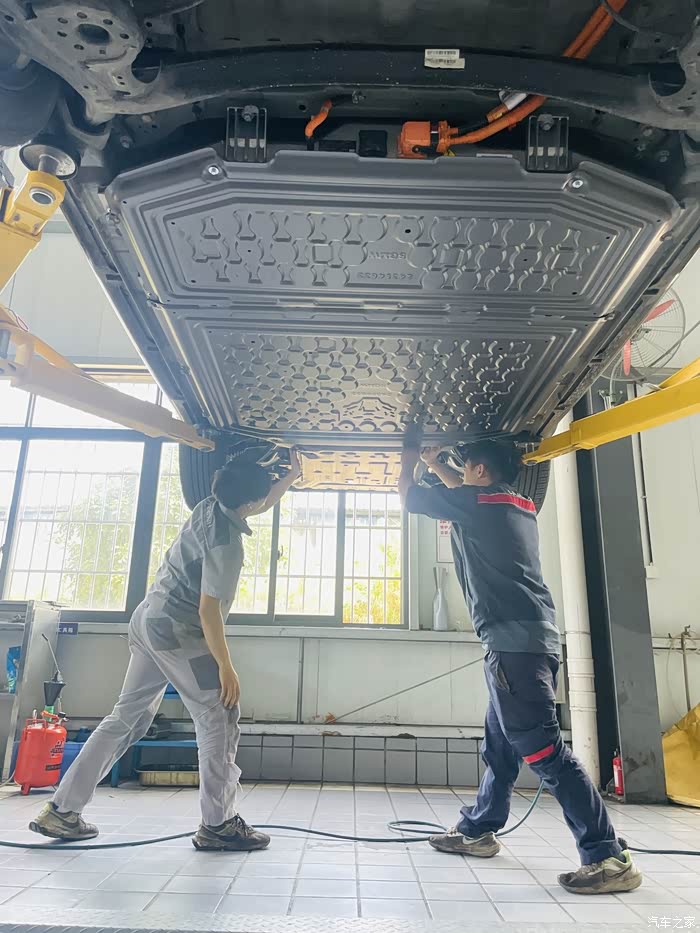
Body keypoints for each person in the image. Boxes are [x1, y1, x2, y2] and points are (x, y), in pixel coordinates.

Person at [397, 437, 642, 895]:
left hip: (514, 649)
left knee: (545, 752)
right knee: (502, 746)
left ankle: (606, 855)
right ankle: (478, 829)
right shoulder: (516, 503)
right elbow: (465, 490)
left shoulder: (476, 503)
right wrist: (440, 465)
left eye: (466, 469)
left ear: (480, 472)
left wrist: (410, 453)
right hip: (530, 643)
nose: (460, 476)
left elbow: (409, 496)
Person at [30, 449, 302, 852]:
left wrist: (289, 478)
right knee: (219, 714)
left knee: (127, 718)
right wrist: (226, 666)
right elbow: (209, 611)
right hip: (177, 633)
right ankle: (219, 824)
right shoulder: (228, 545)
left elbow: (255, 504)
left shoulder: (209, 506)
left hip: (147, 621)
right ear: (251, 500)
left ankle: (62, 810)